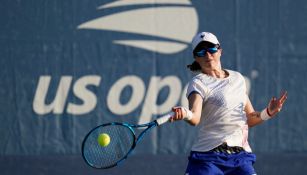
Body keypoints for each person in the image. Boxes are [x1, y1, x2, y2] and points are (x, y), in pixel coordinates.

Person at [170, 32, 287, 175]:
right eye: (201, 52)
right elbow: (195, 117)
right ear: (196, 57)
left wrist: (267, 113)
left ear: (220, 51)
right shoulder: (198, 83)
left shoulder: (238, 79)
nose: (208, 55)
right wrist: (185, 114)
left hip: (240, 158)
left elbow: (249, 117)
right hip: (208, 159)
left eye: (211, 49)